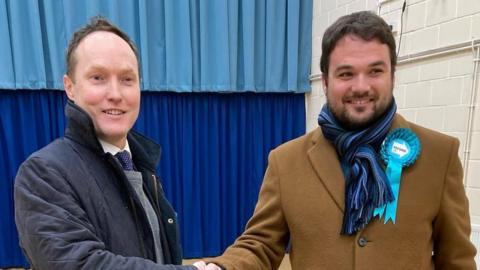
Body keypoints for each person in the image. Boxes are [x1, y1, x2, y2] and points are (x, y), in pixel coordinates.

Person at [198, 11, 477, 270]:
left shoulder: (440, 155)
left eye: (375, 71)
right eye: (346, 73)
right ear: (326, 81)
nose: (361, 86)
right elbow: (260, 244)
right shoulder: (285, 161)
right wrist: (222, 267)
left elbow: (457, 261)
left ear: (392, 75)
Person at [14, 17, 204, 270]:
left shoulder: (141, 166)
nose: (115, 94)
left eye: (127, 79)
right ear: (69, 87)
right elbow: (80, 265)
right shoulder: (43, 173)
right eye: (98, 77)